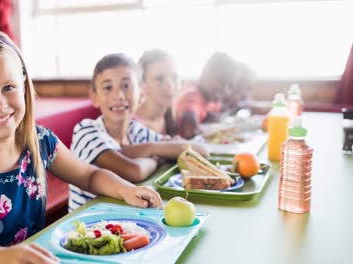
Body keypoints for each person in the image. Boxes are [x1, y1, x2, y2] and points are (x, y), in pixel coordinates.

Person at [0, 30, 163, 264]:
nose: (0, 104)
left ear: (23, 85)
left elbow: (89, 175)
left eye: (8, 88)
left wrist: (126, 190)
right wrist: (2, 258)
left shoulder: (39, 141)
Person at [68, 53, 208, 212]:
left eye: (126, 86)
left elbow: (200, 149)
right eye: (108, 88)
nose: (118, 96)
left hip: (126, 217)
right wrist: (158, 156)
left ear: (142, 94)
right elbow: (134, 171)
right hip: (87, 225)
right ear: (94, 97)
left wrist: (150, 148)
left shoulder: (135, 131)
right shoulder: (86, 130)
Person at [173, 52, 256, 139]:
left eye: (230, 86)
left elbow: (216, 118)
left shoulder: (212, 99)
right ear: (206, 73)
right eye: (221, 81)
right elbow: (189, 132)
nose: (225, 91)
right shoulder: (192, 97)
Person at [135, 49, 180, 136]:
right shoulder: (133, 126)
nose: (170, 86)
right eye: (159, 79)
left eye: (174, 77)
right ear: (142, 84)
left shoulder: (171, 118)